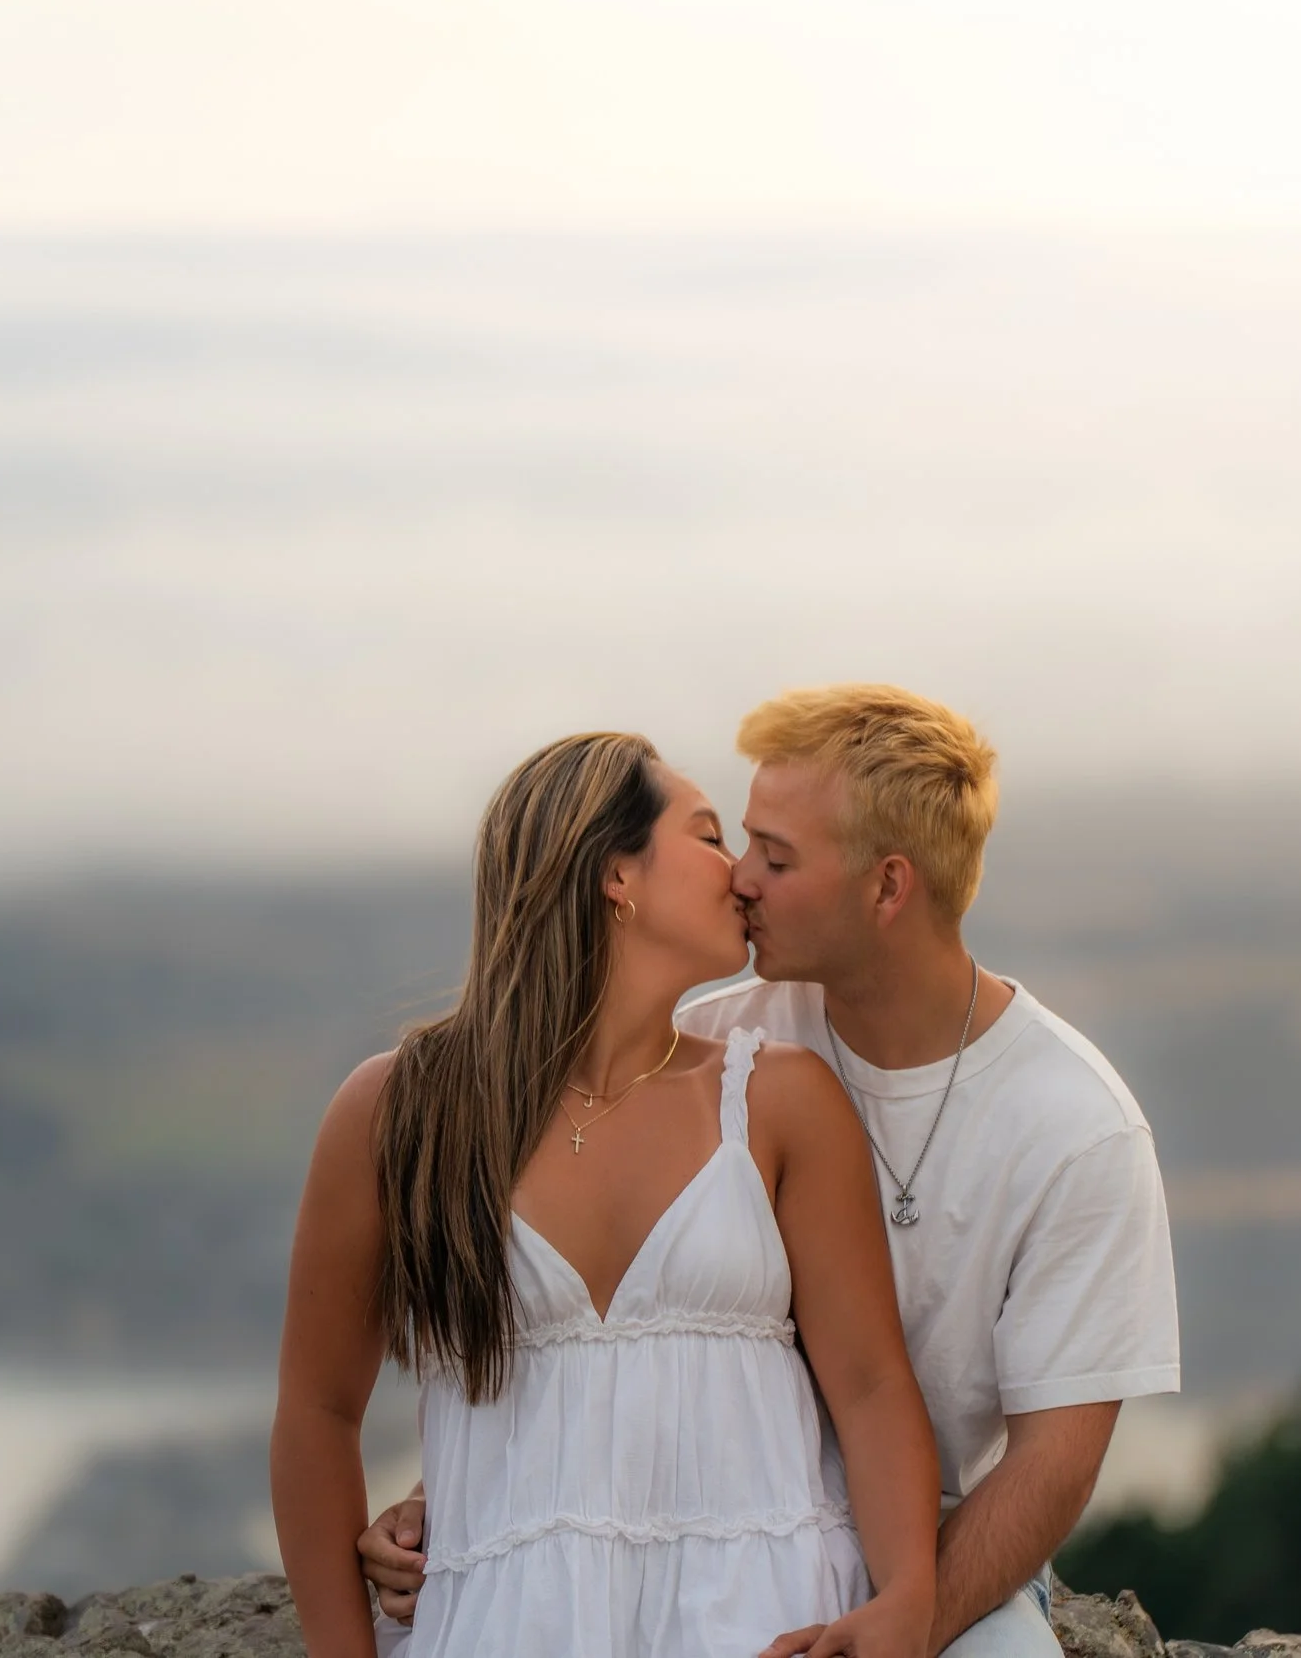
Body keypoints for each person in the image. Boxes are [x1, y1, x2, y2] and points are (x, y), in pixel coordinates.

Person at [365, 686, 1180, 1658]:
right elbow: (599, 1341)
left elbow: (1052, 1465)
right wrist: (444, 1501)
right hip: (695, 1537)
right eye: (735, 841)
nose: (740, 879)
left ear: (886, 889)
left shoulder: (1077, 1132)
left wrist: (902, 1622)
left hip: (931, 1551)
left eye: (775, 858)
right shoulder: (706, 1053)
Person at [272, 731, 940, 1658]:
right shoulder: (397, 1112)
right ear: (614, 874)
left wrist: (906, 1600)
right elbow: (316, 1414)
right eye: (710, 838)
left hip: (764, 1615)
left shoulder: (778, 1098)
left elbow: (869, 1386)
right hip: (505, 1626)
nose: (744, 876)